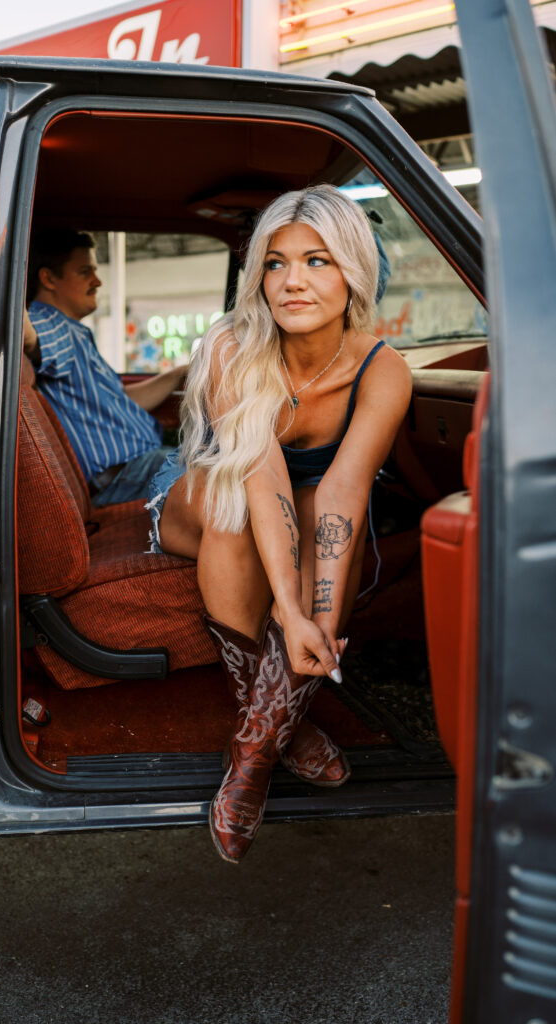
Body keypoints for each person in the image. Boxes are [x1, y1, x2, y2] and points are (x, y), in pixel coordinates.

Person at [146, 185, 412, 863]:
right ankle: (269, 746)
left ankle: (261, 738)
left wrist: (318, 616)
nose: (292, 280)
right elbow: (260, 478)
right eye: (274, 262)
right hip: (200, 502)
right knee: (238, 501)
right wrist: (290, 611)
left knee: (325, 502)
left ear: (353, 269)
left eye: (316, 260)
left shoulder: (382, 370)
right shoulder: (235, 347)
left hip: (305, 505)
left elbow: (347, 492)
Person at [23, 228, 186, 506]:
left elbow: (121, 400)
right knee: (229, 474)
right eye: (85, 271)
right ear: (49, 278)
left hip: (135, 470)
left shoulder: (75, 332)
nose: (97, 281)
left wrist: (180, 373)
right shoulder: (52, 323)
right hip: (125, 477)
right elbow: (29, 338)